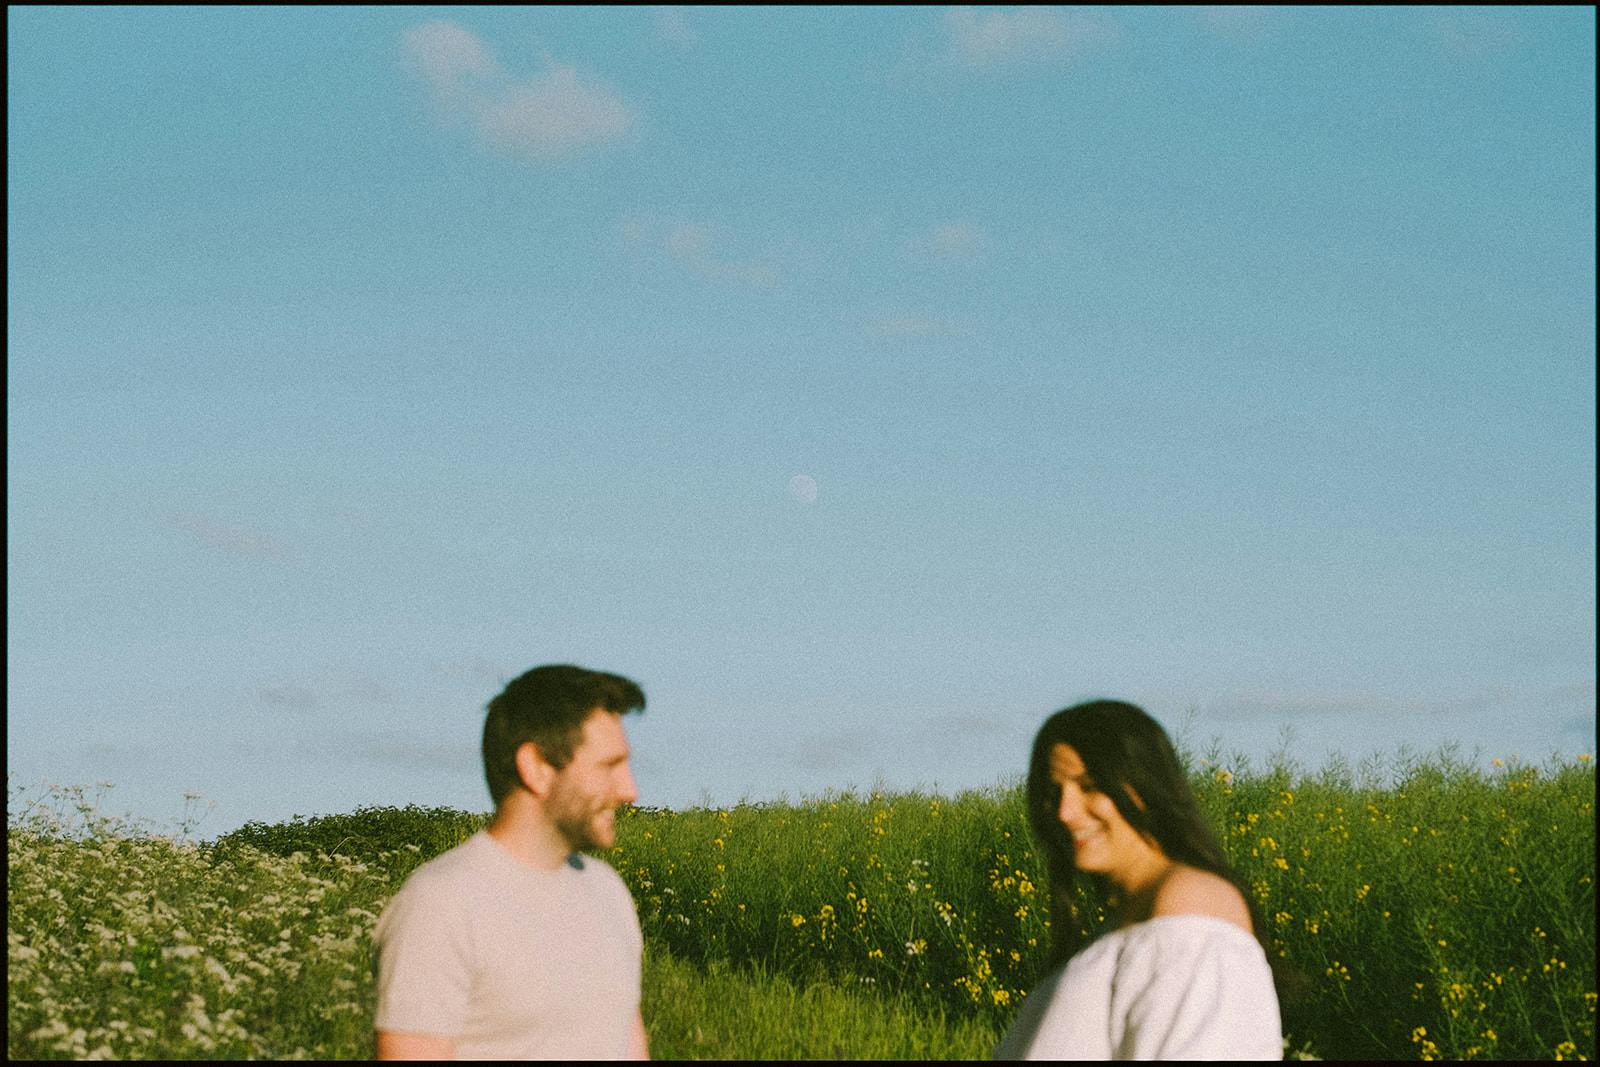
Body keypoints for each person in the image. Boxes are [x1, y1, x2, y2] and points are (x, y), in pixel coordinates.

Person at [373, 664, 650, 1060]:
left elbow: (631, 1046)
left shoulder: (607, 891)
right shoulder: (440, 904)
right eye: (609, 766)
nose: (630, 790)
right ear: (536, 767)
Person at [994, 699, 1283, 1060]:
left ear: (1144, 787)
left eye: (1090, 786)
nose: (1065, 813)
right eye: (1054, 793)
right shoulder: (1125, 922)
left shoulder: (1190, 908)